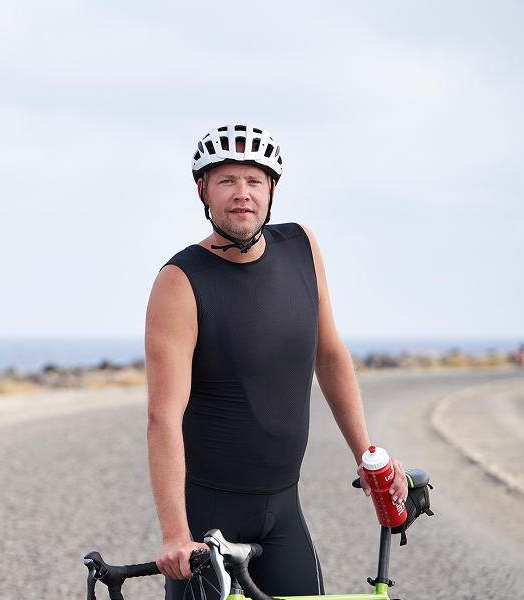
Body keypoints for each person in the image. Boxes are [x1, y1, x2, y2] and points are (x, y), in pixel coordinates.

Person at [145, 123, 409, 598]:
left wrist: (368, 457)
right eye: (227, 181)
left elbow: (330, 354)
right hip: (209, 518)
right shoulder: (180, 281)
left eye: (254, 180)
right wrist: (174, 535)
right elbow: (163, 415)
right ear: (203, 190)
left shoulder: (301, 247)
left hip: (285, 509)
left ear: (271, 189)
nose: (241, 194)